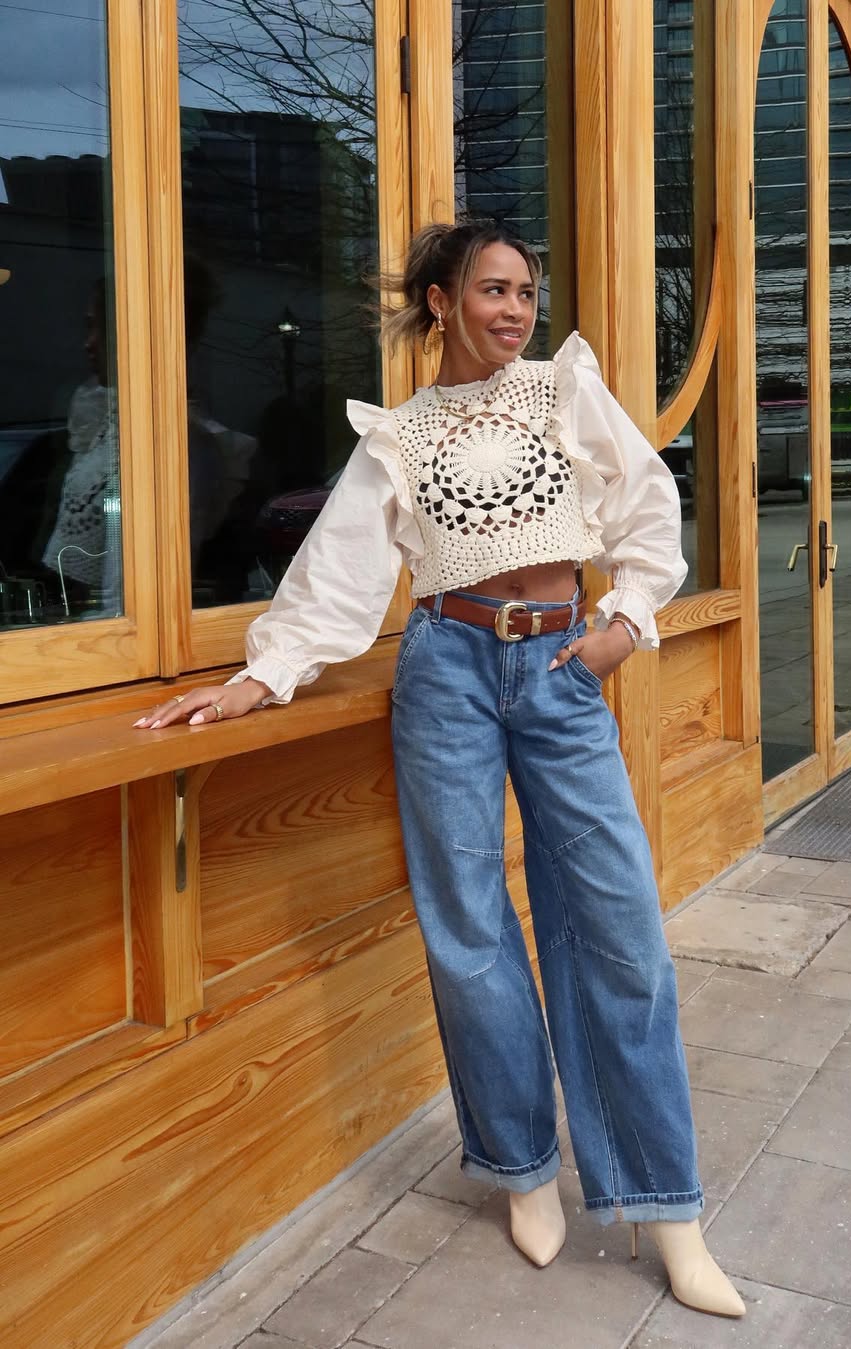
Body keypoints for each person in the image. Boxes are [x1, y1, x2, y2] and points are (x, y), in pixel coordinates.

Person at [135, 220, 745, 1319]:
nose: (516, 309)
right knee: (469, 933)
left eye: (525, 290)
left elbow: (652, 508)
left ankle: (668, 1204)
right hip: (445, 671)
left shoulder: (564, 392)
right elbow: (337, 577)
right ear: (438, 302)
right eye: (494, 290)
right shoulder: (397, 435)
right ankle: (520, 1169)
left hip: (561, 662)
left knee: (618, 924)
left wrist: (626, 616)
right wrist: (257, 677)